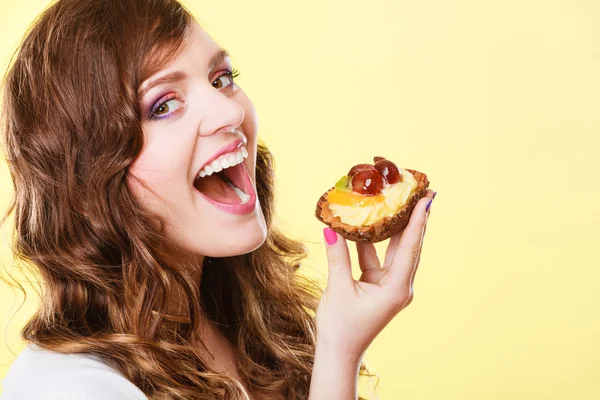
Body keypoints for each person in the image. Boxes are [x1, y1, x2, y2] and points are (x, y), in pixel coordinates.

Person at [0, 0, 435, 399]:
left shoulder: (251, 323)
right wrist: (339, 356)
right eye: (164, 105)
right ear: (87, 173)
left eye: (221, 78)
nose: (231, 113)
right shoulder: (63, 389)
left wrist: (337, 346)